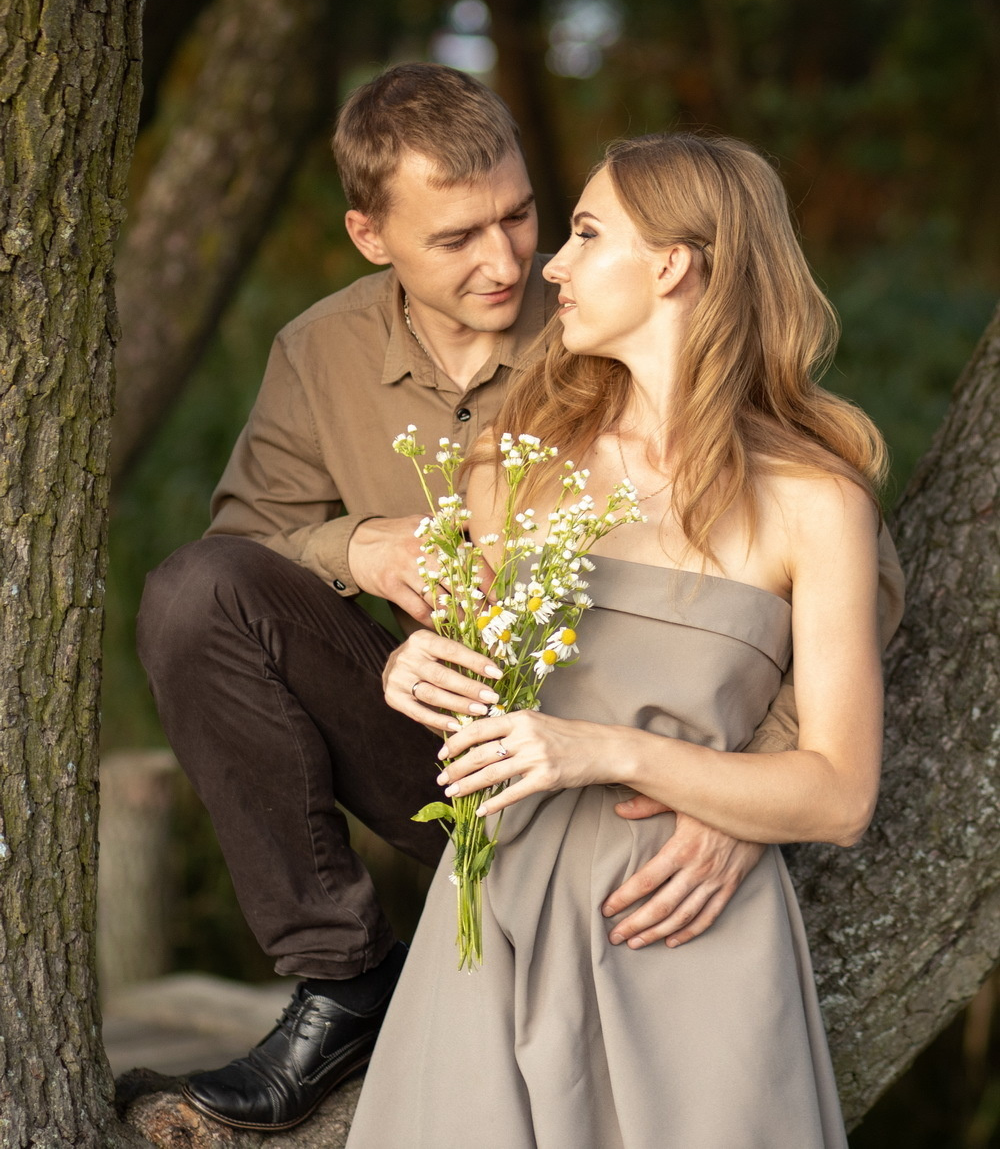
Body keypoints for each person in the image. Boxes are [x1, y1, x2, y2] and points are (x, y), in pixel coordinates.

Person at [137, 67, 898, 1133]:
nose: (521, 264)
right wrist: (372, 581)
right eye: (458, 238)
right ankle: (343, 978)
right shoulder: (384, 387)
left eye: (538, 220)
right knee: (196, 593)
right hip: (478, 796)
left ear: (670, 266)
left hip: (658, 835)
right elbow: (266, 564)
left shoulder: (775, 472)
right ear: (370, 236)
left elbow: (843, 707)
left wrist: (738, 789)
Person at [347, 131, 901, 1149]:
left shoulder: (816, 502)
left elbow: (839, 794)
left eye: (586, 233)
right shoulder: (513, 464)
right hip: (496, 905)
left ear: (673, 264)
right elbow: (484, 686)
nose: (549, 265)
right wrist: (413, 662)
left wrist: (608, 752)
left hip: (681, 925)